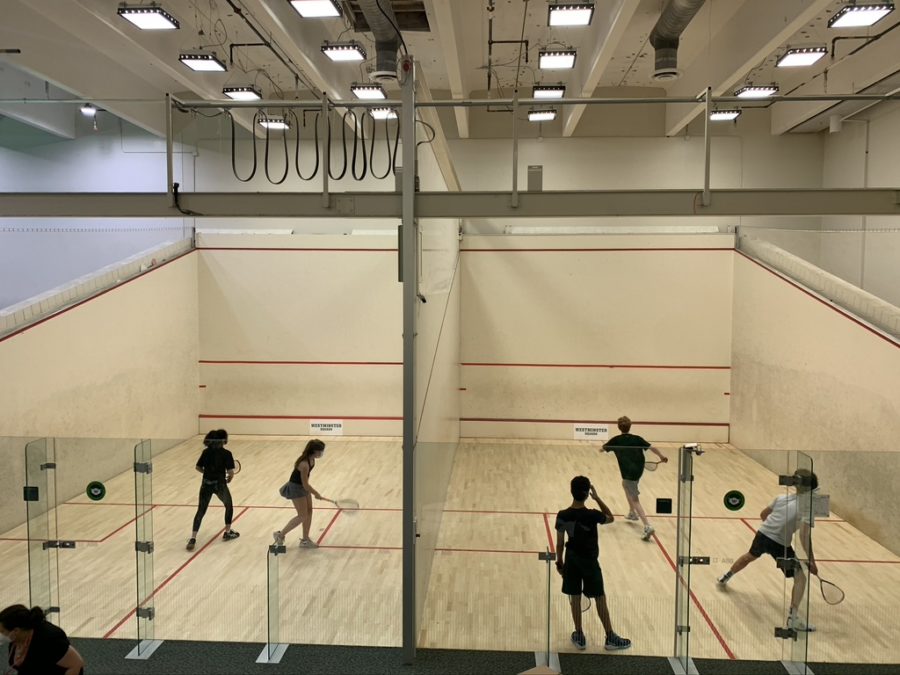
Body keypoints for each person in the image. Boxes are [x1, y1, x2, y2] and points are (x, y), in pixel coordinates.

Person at [716, 469, 819, 632]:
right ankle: (793, 618)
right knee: (801, 576)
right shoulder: (808, 508)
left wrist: (772, 528)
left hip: (763, 534)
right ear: (812, 489)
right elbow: (804, 536)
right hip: (779, 543)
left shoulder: (781, 498)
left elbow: (763, 514)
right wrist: (811, 560)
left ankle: (725, 576)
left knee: (749, 556)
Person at [555, 476, 631, 652]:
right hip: (590, 562)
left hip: (572, 561)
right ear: (587, 493)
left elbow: (559, 543)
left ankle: (579, 635)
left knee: (574, 597)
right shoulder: (593, 515)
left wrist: (560, 562)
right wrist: (597, 498)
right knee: (599, 597)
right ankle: (610, 636)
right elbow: (610, 517)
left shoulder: (563, 515)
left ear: (571, 491)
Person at [602, 415, 667, 541]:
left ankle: (647, 526)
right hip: (638, 470)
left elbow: (605, 448)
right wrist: (661, 456)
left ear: (619, 427)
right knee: (625, 485)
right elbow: (652, 447)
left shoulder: (616, 440)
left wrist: (601, 449)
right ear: (630, 426)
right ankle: (632, 513)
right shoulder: (637, 439)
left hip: (628, 473)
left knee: (635, 498)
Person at [186, 429, 239, 551]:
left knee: (201, 510)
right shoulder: (227, 454)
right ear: (223, 441)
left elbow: (198, 467)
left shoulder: (205, 452)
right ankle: (227, 532)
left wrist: (208, 473)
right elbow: (230, 472)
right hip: (220, 484)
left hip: (206, 484)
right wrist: (230, 478)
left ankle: (193, 538)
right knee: (229, 505)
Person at [0, 604, 85, 675]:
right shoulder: (16, 640)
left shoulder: (50, 639)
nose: (1, 634)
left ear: (16, 631)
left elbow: (76, 664)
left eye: (2, 631)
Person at [273, 439, 327, 548]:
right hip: (296, 488)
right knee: (302, 515)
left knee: (309, 512)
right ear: (314, 451)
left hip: (302, 487)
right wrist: (316, 493)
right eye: (320, 451)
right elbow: (305, 484)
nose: (321, 453)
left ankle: (305, 540)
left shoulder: (311, 460)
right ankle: (280, 534)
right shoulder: (304, 464)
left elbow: (305, 483)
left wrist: (312, 492)